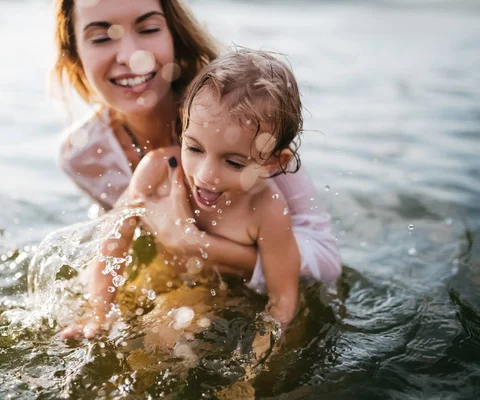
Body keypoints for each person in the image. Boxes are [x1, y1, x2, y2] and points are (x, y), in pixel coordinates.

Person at [54, 0, 340, 299]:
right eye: (101, 38)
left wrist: (197, 246)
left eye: (149, 29)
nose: (131, 56)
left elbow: (327, 260)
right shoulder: (82, 158)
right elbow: (121, 241)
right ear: (74, 55)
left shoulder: (241, 115)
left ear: (174, 36)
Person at [63, 48, 306, 339]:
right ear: (183, 122)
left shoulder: (267, 210)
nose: (205, 175)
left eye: (234, 162)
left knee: (163, 338)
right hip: (158, 275)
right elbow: (113, 241)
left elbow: (283, 301)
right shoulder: (157, 171)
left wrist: (254, 372)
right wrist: (98, 313)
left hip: (223, 298)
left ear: (272, 163)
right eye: (194, 148)